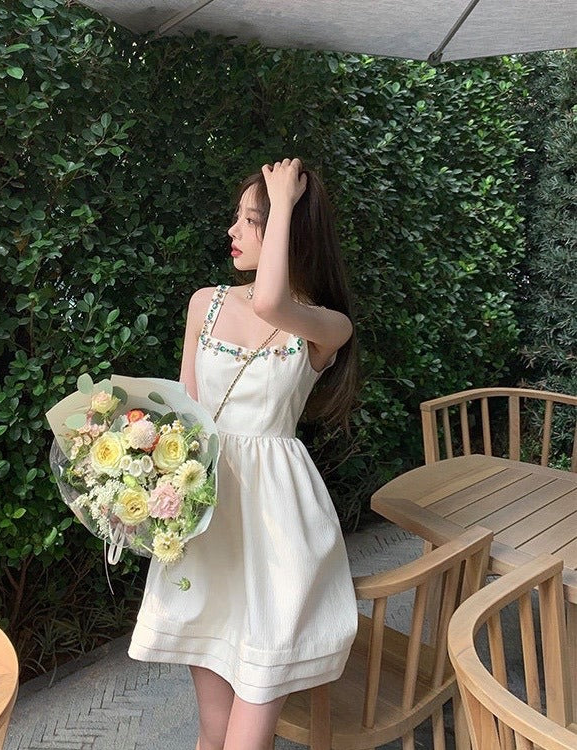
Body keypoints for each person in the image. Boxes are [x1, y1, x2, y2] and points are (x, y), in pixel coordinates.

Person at [128, 158, 359, 750]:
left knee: (246, 740)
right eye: (239, 216)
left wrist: (284, 199)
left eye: (252, 220)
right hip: (209, 523)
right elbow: (185, 413)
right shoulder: (203, 304)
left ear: (289, 230)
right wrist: (139, 479)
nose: (233, 230)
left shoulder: (326, 326)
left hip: (279, 533)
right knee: (212, 733)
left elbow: (270, 303)